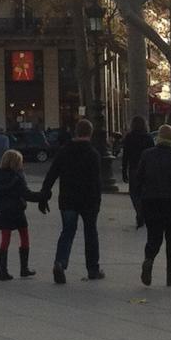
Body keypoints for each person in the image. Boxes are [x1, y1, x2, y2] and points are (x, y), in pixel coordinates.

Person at [40, 118, 104, 284]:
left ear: (76, 132)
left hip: (68, 199)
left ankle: (60, 263)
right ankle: (93, 269)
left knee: (67, 232)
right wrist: (98, 201)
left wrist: (44, 193)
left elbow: (52, 174)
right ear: (90, 133)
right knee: (90, 233)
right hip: (88, 200)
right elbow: (97, 182)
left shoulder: (64, 151)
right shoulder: (93, 153)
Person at [130, 124, 171, 287]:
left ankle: (149, 259)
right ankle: (170, 276)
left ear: (158, 137)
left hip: (151, 202)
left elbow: (138, 180)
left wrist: (139, 202)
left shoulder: (147, 155)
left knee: (154, 238)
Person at [0, 148, 42, 280]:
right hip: (17, 209)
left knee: (5, 238)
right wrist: (42, 196)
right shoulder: (17, 177)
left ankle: (3, 271)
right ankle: (24, 268)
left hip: (3, 211)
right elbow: (26, 194)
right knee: (24, 235)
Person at [119, 116, 153, 226]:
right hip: (146, 169)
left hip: (134, 168)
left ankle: (139, 211)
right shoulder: (148, 137)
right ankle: (143, 211)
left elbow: (126, 156)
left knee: (134, 193)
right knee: (144, 192)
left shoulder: (129, 137)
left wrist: (124, 170)